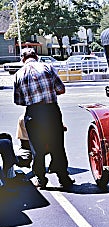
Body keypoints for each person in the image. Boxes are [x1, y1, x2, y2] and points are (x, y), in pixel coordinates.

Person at [13, 48, 75, 189]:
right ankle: (63, 178)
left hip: (33, 113)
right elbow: (61, 89)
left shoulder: (18, 74)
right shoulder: (47, 67)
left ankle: (40, 179)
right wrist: (47, 93)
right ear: (36, 56)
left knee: (37, 148)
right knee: (57, 146)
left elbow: (18, 100)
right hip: (51, 111)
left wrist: (33, 98)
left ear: (23, 59)